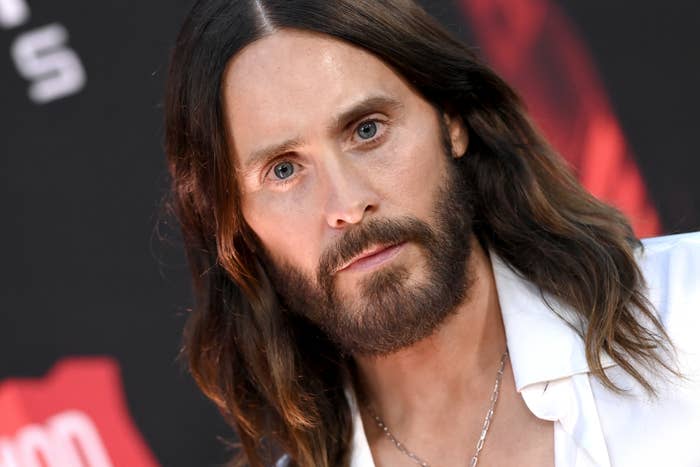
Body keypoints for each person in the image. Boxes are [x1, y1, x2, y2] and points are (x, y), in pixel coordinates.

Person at [163, 1, 700, 466]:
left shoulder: (685, 310)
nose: (347, 205)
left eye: (367, 130)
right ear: (237, 227)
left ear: (451, 121)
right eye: (283, 170)